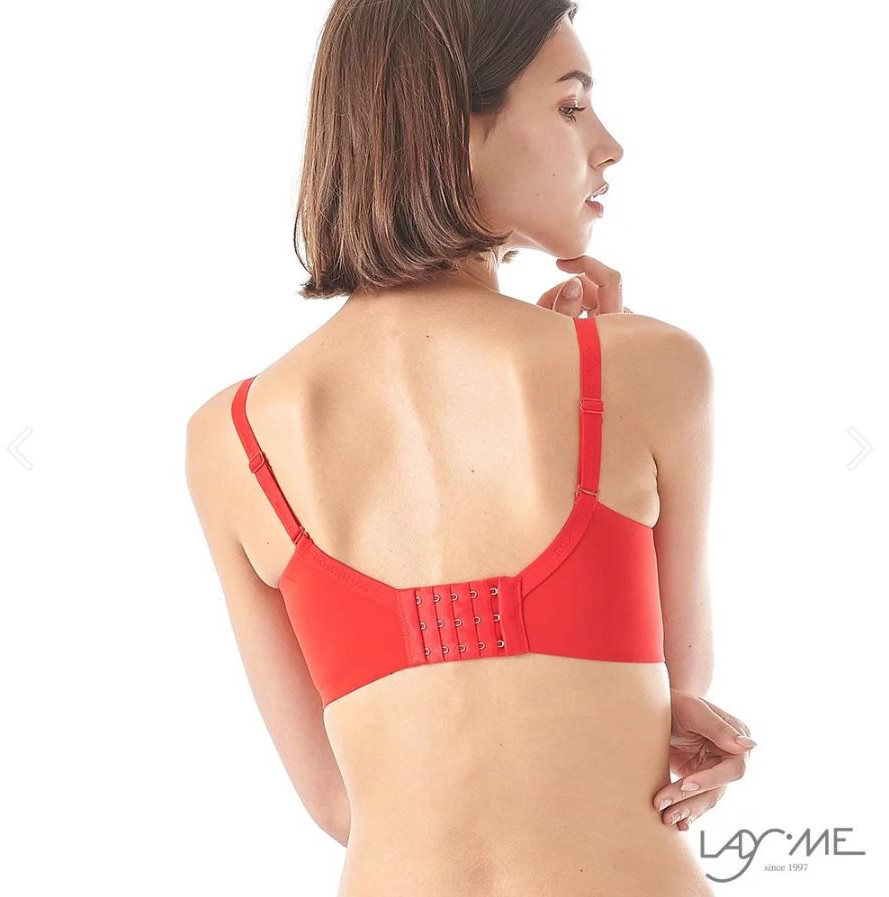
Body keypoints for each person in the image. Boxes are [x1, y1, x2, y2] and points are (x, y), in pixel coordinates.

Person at [185, 2, 755, 894]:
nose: (608, 146)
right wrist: (599, 361)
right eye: (570, 106)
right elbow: (677, 700)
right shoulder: (649, 369)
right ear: (448, 123)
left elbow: (339, 803)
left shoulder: (232, 436)